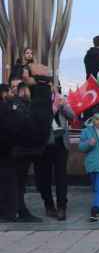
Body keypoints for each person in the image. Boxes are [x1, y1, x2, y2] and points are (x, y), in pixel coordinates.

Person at [1, 65, 52, 223]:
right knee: (12, 182)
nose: (15, 90)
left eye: (18, 87)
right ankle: (13, 211)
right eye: (13, 87)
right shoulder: (10, 107)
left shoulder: (25, 105)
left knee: (18, 183)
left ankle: (18, 210)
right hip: (12, 150)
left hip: (21, 150)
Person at [36, 88, 75, 220]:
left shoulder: (62, 101)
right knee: (44, 178)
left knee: (61, 177)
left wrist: (63, 105)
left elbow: (72, 116)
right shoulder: (39, 102)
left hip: (61, 144)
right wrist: (51, 109)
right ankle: (49, 205)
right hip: (45, 145)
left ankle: (62, 207)